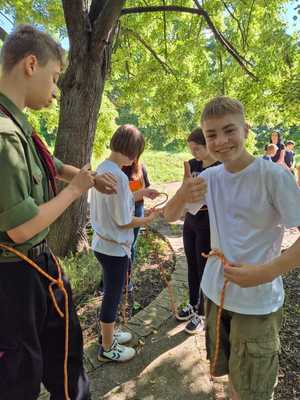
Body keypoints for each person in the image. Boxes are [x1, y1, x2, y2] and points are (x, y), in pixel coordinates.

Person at [0, 26, 118, 400]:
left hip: (35, 268)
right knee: (21, 372)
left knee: (64, 354)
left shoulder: (15, 122)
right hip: (16, 278)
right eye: (54, 78)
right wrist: (74, 191)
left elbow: (47, 160)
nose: (55, 91)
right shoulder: (3, 135)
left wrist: (84, 177)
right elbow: (20, 228)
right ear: (31, 64)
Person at [163, 96, 300, 400]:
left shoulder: (274, 176)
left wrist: (265, 272)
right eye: (211, 134)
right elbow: (170, 215)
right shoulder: (209, 178)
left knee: (253, 388)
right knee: (229, 374)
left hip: (257, 302)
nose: (221, 141)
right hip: (216, 293)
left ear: (246, 130)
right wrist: (182, 193)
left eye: (229, 130)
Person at [90, 124, 160, 363]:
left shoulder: (103, 168)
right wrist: (148, 219)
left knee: (112, 292)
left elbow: (116, 203)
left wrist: (140, 194)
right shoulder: (119, 176)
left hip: (102, 244)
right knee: (112, 295)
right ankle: (107, 348)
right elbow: (123, 221)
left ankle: (108, 336)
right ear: (134, 154)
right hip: (114, 249)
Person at [176, 127, 220, 334]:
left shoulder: (221, 167)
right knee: (192, 264)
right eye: (191, 149)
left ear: (208, 145)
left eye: (197, 149)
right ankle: (193, 303)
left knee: (204, 267)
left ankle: (202, 313)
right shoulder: (192, 165)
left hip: (209, 224)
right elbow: (184, 192)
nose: (194, 154)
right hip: (190, 222)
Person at [122, 160, 159, 289]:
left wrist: (149, 193)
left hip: (138, 209)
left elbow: (145, 188)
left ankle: (127, 281)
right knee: (120, 245)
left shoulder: (141, 168)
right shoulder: (117, 169)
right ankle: (110, 278)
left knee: (131, 245)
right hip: (122, 211)